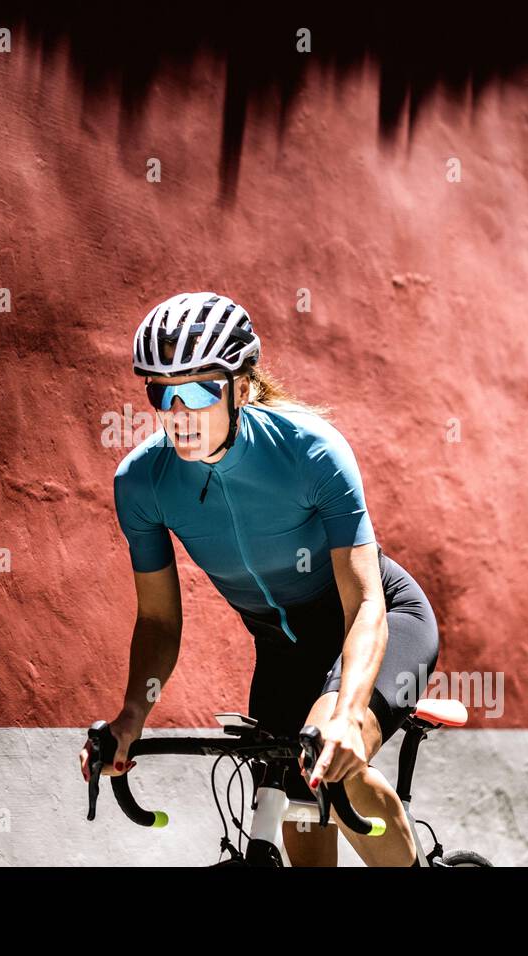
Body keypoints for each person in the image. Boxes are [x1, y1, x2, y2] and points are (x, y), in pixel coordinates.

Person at [78, 291, 439, 866]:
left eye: (199, 390)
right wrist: (130, 717)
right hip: (283, 650)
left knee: (333, 765)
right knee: (289, 805)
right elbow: (157, 619)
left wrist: (346, 715)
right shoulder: (141, 483)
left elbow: (365, 601)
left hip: (378, 619)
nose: (179, 411)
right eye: (161, 393)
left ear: (241, 389)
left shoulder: (311, 452)